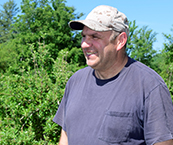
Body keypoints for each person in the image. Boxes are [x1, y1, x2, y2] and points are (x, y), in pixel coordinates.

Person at [53, 5, 173, 145]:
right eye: (84, 36)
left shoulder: (150, 86)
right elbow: (65, 137)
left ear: (120, 41)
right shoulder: (75, 82)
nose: (85, 44)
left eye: (95, 36)